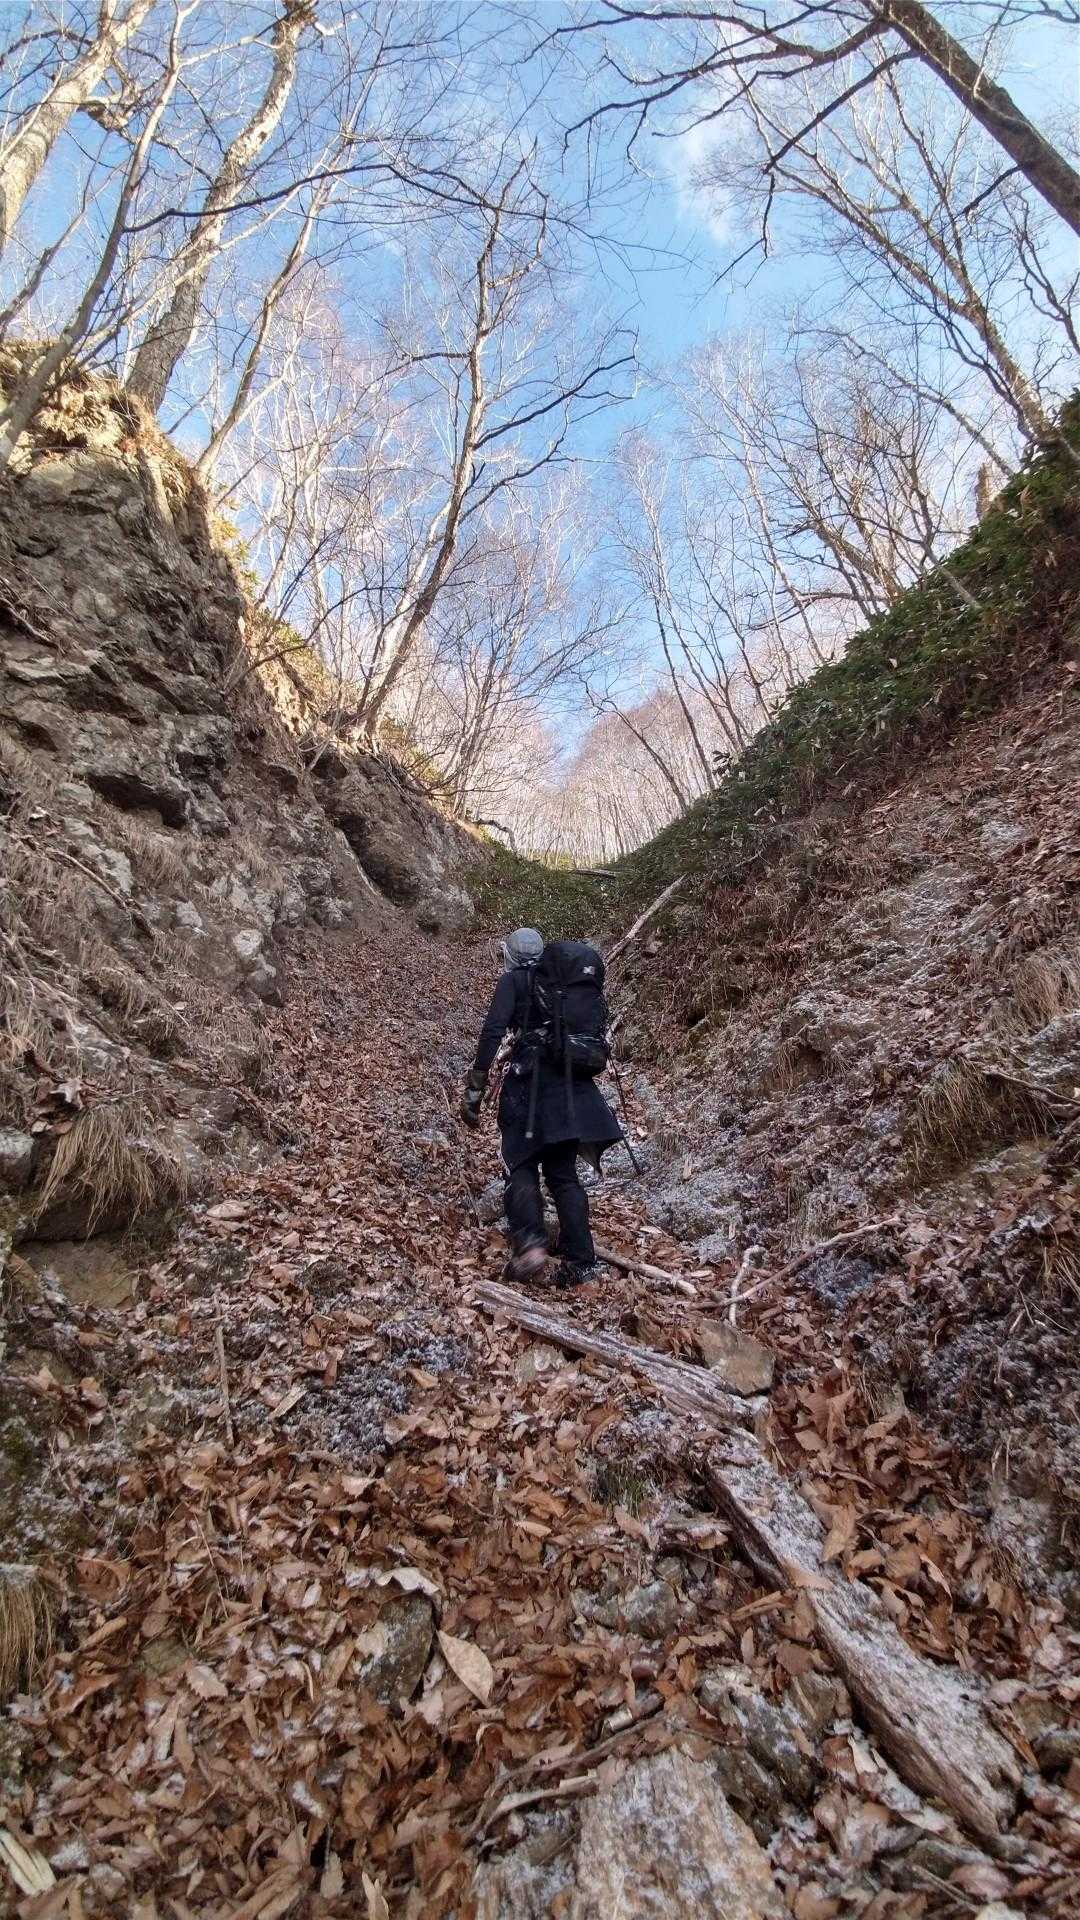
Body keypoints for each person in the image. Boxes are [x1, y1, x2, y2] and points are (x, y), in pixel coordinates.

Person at [460, 927, 623, 1288]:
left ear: (510, 956)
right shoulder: (559, 986)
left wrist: (475, 1087)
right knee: (563, 1175)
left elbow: (492, 1031)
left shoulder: (514, 981)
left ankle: (531, 1243)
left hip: (528, 1085)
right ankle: (581, 1261)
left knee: (519, 1162)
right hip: (569, 1087)